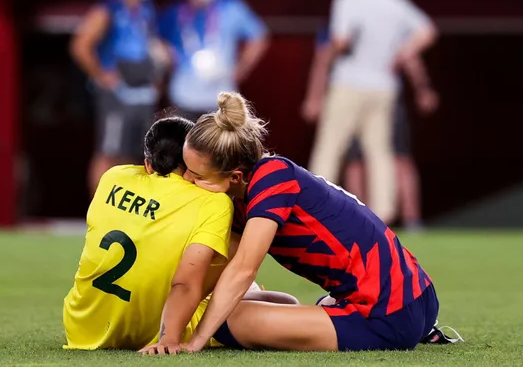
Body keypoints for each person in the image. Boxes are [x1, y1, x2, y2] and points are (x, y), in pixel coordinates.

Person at [170, 92, 459, 353]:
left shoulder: (272, 179)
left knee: (224, 323)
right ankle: (311, 314)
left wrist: (195, 341)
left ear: (234, 177)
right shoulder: (248, 193)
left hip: (387, 314)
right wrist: (169, 321)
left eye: (197, 176)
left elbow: (244, 269)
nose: (186, 181)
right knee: (221, 306)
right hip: (415, 296)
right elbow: (218, 268)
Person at [63, 116, 297, 352]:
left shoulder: (114, 177)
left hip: (81, 326)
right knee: (280, 300)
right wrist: (168, 340)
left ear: (148, 164)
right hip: (157, 328)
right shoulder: (213, 202)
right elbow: (185, 283)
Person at [308, 0, 437, 225]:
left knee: (331, 146)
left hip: (349, 82)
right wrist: (402, 53)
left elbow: (341, 40)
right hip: (384, 86)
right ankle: (383, 211)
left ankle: (315, 206)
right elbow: (427, 31)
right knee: (380, 151)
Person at [302, 24, 439, 230]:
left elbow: (409, 55)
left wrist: (422, 87)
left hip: (382, 96)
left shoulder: (387, 24)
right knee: (354, 161)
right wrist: (315, 96)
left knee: (394, 156)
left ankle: (408, 220)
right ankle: (359, 217)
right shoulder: (337, 23)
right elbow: (323, 59)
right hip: (348, 94)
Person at [70, 0, 168, 195]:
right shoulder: (110, 6)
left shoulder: (146, 9)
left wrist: (156, 74)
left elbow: (147, 46)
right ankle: (97, 213)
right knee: (108, 152)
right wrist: (101, 74)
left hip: (142, 92)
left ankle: (126, 213)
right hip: (118, 93)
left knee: (136, 155)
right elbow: (80, 45)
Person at [158, 0, 269, 121]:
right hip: (184, 97)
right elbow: (156, 39)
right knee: (183, 144)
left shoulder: (231, 7)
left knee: (220, 146)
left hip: (221, 99)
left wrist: (242, 68)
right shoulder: (175, 12)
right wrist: (168, 62)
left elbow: (259, 36)